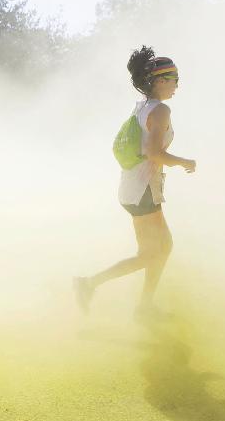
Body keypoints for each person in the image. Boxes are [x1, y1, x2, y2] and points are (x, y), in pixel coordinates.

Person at [75, 46, 196, 321]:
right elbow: (155, 153)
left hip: (133, 189)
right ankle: (90, 284)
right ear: (160, 81)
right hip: (142, 190)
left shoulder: (141, 106)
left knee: (159, 249)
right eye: (175, 79)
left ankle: (143, 306)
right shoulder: (161, 110)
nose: (177, 85)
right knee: (153, 253)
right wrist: (185, 162)